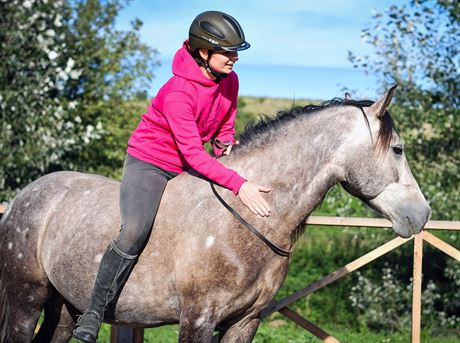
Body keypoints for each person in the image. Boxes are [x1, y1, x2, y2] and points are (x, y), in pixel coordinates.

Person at [72, 10, 271, 342]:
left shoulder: (229, 81)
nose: (235, 59)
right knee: (135, 229)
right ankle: (93, 312)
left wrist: (226, 147)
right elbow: (194, 153)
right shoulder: (179, 91)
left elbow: (224, 126)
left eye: (237, 52)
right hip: (150, 163)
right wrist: (240, 183)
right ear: (203, 52)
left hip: (187, 166)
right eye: (228, 52)